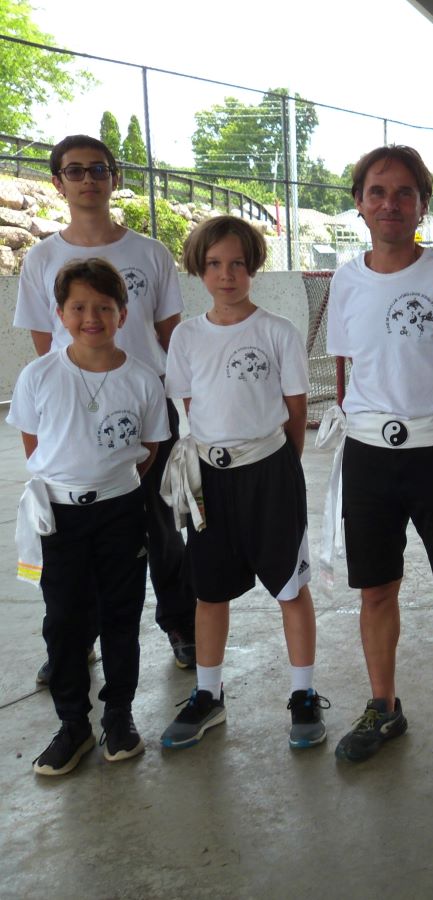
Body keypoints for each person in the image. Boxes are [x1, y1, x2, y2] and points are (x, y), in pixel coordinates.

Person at [322, 145, 433, 773]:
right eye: (376, 192)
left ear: (423, 202)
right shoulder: (345, 278)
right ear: (360, 203)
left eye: (403, 192)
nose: (389, 204)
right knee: (375, 591)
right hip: (369, 459)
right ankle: (382, 704)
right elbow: (347, 371)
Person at [14, 134, 195, 676]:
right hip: (76, 418)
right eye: (75, 171)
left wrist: (186, 407)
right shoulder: (43, 259)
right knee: (81, 530)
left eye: (99, 169)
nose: (88, 179)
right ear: (57, 183)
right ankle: (78, 637)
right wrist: (65, 406)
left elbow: (172, 337)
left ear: (115, 178)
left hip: (146, 406)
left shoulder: (149, 253)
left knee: (161, 525)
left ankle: (179, 625)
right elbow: (46, 345)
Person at [158, 216, 326, 750]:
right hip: (210, 479)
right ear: (198, 270)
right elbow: (192, 406)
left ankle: (302, 693)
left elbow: (296, 409)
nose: (226, 275)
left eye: (236, 263)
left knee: (289, 587)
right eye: (213, 264)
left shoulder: (277, 331)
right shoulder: (186, 336)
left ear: (252, 267)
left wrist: (279, 468)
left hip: (271, 474)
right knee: (210, 592)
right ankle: (208, 695)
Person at [9, 258, 169, 775]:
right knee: (64, 622)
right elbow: (34, 443)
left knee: (121, 616)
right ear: (59, 314)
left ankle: (118, 715)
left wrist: (109, 485)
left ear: (123, 314)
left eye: (104, 306)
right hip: (58, 517)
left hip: (121, 511)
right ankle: (73, 723)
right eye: (78, 307)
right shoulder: (39, 375)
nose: (91, 317)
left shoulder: (143, 380)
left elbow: (148, 449)